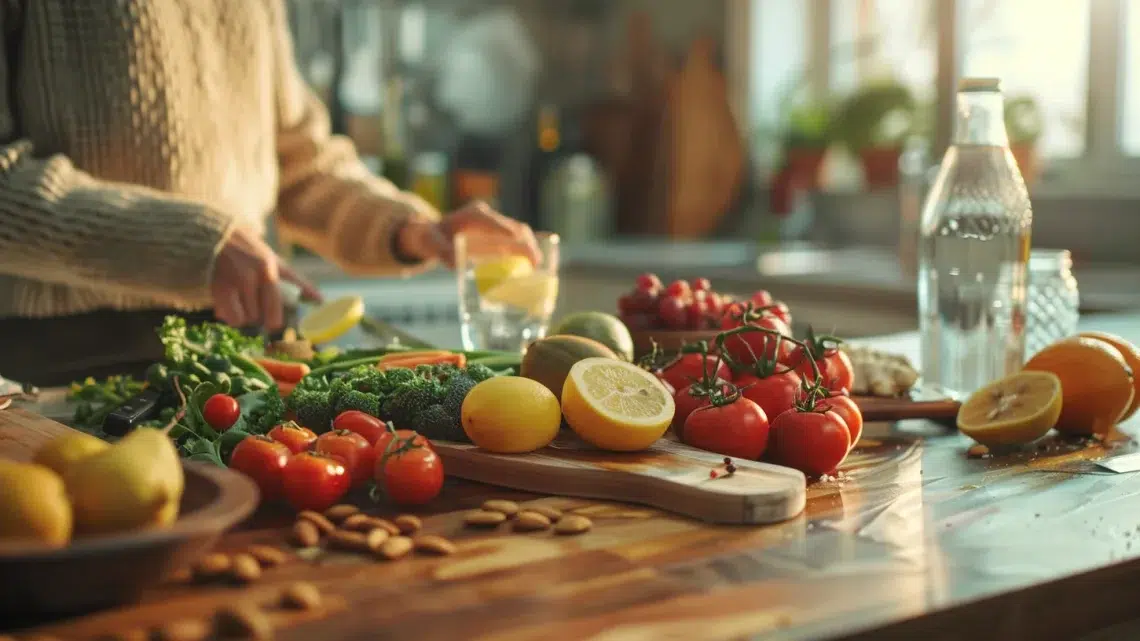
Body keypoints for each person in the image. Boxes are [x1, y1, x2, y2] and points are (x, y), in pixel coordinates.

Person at [0, 1, 539, 386]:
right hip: (58, 364)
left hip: (238, 353)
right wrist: (199, 245)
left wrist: (415, 229)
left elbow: (302, 164)